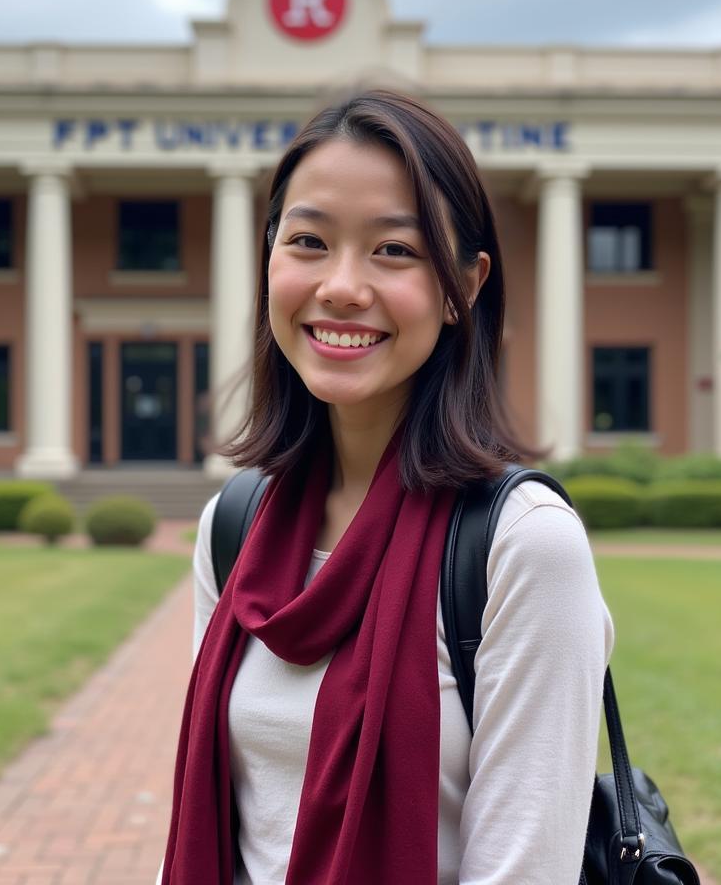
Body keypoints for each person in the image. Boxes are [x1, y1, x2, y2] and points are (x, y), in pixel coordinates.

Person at [159, 88, 614, 885]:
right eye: (308, 241)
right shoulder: (234, 527)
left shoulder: (522, 545)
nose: (340, 286)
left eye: (394, 251)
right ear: (270, 259)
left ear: (462, 287)